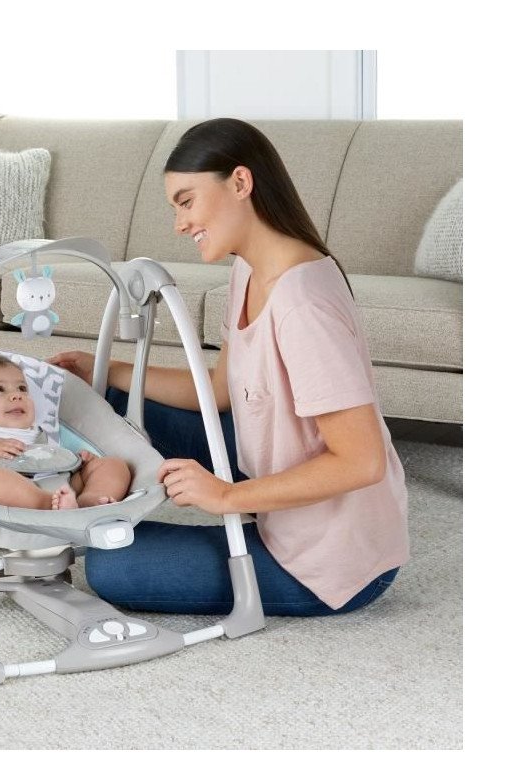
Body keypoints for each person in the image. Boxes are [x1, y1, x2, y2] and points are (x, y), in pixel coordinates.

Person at [49, 118, 409, 617]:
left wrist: (225, 496)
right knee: (105, 400)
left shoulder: (304, 305)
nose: (179, 224)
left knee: (111, 565)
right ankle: (50, 496)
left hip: (333, 560)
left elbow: (362, 461)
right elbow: (221, 390)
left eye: (186, 201)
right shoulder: (250, 270)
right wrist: (108, 371)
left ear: (240, 182)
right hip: (273, 468)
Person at [0, 354, 131, 511]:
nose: (17, 395)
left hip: (63, 484)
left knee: (112, 464)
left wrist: (80, 461)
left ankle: (91, 500)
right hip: (16, 495)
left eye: (22, 388)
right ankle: (48, 505)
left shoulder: (41, 431)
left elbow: (56, 457)